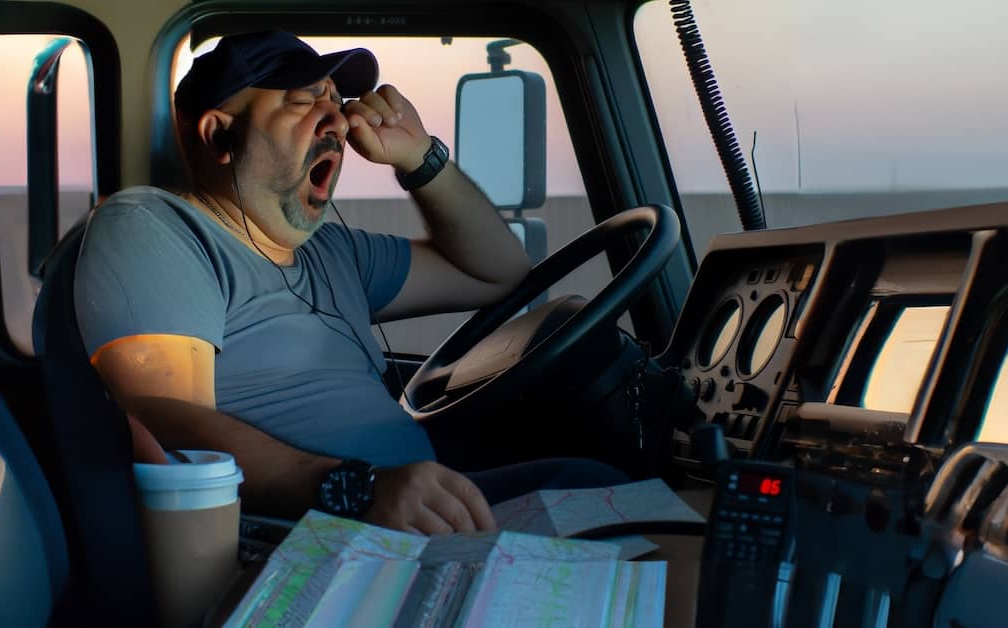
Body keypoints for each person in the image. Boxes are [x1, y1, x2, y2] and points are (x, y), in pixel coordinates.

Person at [74, 30, 626, 535]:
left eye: (336, 101)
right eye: (303, 102)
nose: (336, 120)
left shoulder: (334, 251)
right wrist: (353, 489)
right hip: (311, 531)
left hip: (413, 510)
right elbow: (166, 425)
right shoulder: (154, 228)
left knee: (602, 486)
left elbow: (496, 272)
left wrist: (420, 160)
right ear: (222, 134)